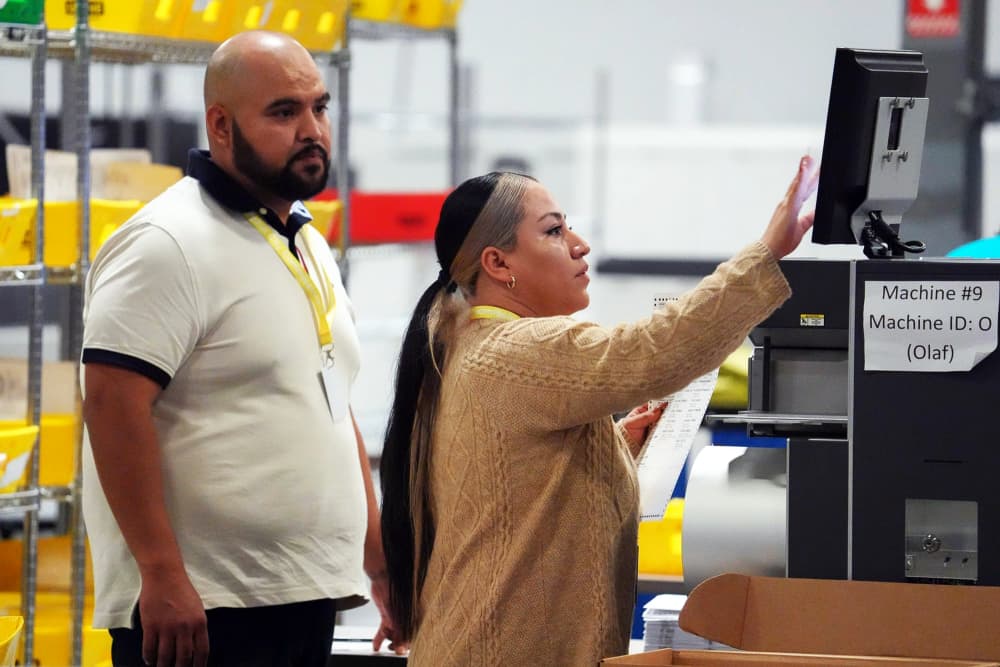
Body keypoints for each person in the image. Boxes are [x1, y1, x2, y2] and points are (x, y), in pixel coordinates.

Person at [378, 157, 820, 665]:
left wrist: (615, 446)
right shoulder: (517, 350)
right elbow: (655, 350)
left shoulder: (465, 344)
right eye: (554, 231)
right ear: (498, 264)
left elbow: (514, 489)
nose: (579, 244)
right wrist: (765, 254)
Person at [81, 31, 394, 667]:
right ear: (221, 126)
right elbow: (112, 407)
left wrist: (378, 562)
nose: (312, 130)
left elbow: (331, 404)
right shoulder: (168, 241)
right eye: (284, 112)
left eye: (319, 107)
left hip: (301, 593)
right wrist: (160, 573)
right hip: (203, 610)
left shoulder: (304, 239)